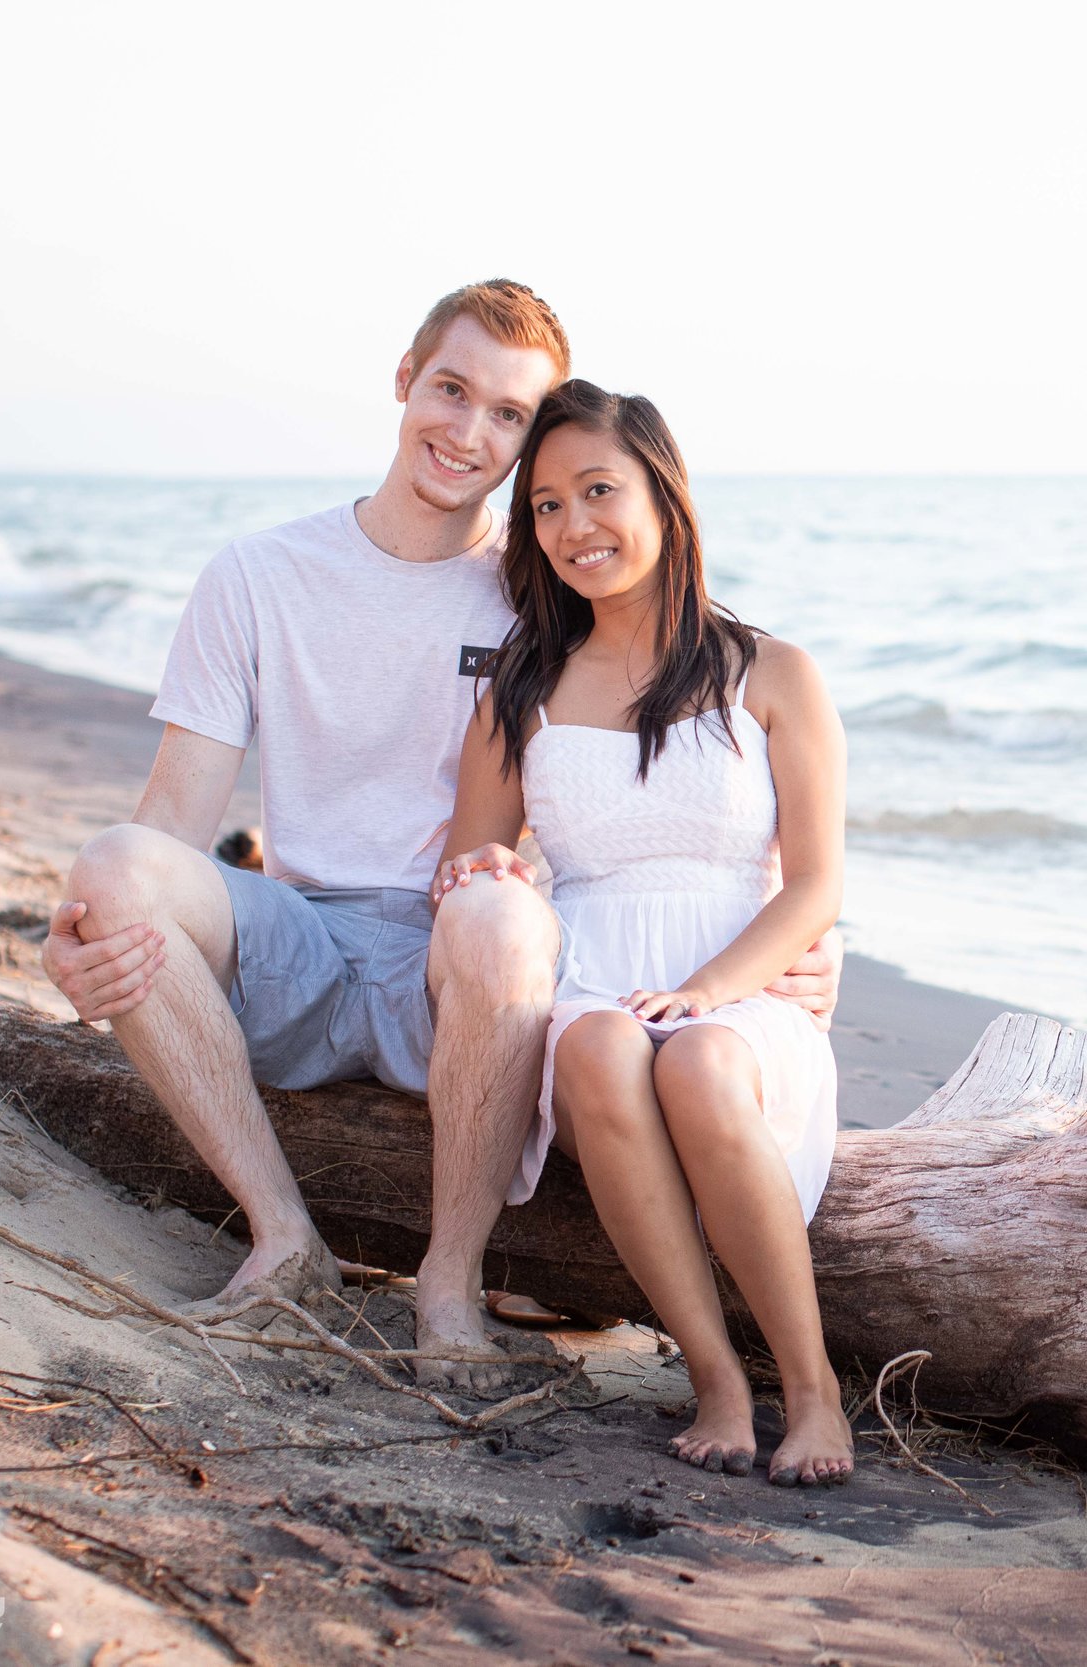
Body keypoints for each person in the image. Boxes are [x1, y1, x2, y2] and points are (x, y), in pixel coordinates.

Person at [38, 284, 842, 1393]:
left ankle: (449, 1283)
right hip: (301, 947)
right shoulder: (258, 576)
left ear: (533, 440)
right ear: (405, 374)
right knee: (112, 864)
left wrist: (783, 939)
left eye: (508, 415)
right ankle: (284, 1239)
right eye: (452, 390)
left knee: (500, 911)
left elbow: (674, 751)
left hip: (475, 977)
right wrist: (88, 930)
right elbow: (172, 820)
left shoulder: (549, 593)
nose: (469, 432)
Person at [435, 380, 854, 1484]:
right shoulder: (522, 686)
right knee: (601, 1045)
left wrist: (713, 988)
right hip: (589, 986)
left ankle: (812, 1391)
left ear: (663, 496)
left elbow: (813, 888)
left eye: (599, 491)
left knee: (706, 1063)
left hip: (742, 988)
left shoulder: (774, 674)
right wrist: (481, 872)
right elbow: (471, 865)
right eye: (546, 507)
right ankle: (713, 1376)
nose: (575, 527)